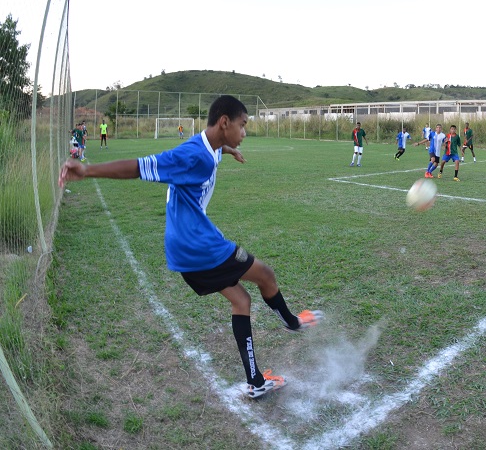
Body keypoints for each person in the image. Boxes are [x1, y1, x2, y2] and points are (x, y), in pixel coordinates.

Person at [57, 95, 321, 399]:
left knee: (241, 301)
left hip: (183, 249)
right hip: (200, 246)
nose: (245, 132)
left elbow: (214, 148)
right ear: (225, 122)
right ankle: (292, 323)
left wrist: (228, 148)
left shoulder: (210, 145)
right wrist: (87, 171)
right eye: (243, 125)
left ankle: (256, 381)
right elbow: (140, 167)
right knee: (266, 275)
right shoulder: (194, 154)